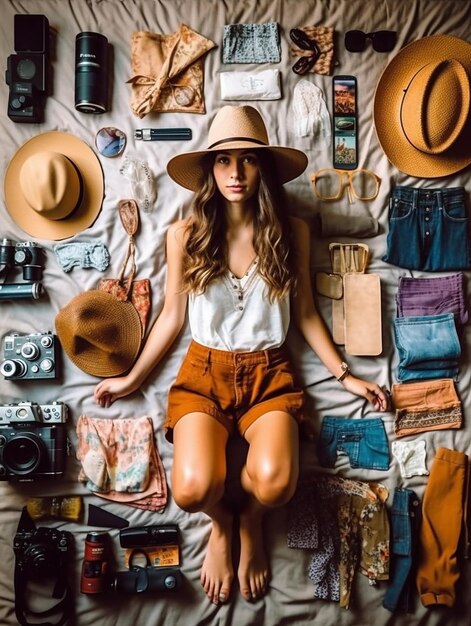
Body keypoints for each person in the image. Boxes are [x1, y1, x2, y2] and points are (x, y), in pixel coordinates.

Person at [94, 105, 388, 605]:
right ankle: (221, 525)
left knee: (276, 486)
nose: (235, 172)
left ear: (263, 168)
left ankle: (248, 520)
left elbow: (308, 315)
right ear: (210, 169)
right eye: (224, 160)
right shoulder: (183, 235)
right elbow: (171, 317)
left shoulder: (291, 230)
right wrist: (131, 380)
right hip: (204, 371)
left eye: (248, 160)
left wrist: (346, 376)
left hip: (270, 371)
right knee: (192, 490)